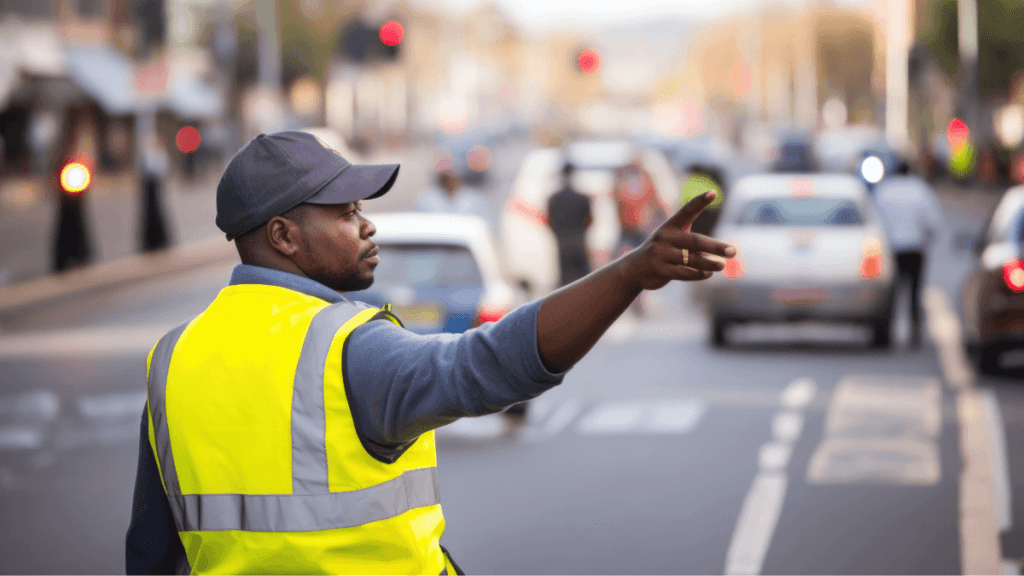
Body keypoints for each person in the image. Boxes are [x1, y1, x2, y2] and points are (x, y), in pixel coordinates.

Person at [125, 131, 735, 575]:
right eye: (345, 213)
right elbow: (493, 364)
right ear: (283, 236)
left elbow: (151, 553)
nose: (368, 226)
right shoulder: (347, 349)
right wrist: (629, 273)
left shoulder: (174, 357)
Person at [872, 167, 944, 348]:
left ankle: (885, 334)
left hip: (891, 249)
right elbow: (933, 221)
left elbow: (874, 219)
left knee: (890, 293)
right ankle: (915, 333)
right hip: (915, 248)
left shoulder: (883, 190)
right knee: (914, 293)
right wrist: (927, 239)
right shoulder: (920, 189)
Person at [547, 162, 593, 287]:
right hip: (579, 242)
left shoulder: (554, 199)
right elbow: (590, 220)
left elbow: (549, 221)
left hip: (563, 243)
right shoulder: (582, 198)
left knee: (566, 285)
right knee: (584, 283)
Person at [414, 163, 494, 232]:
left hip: (464, 244)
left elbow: (486, 225)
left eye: (453, 179)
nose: (450, 182)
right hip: (434, 244)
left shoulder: (473, 199)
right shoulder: (427, 199)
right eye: (447, 178)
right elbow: (415, 224)